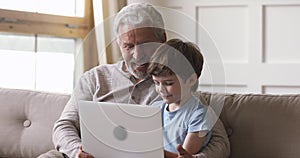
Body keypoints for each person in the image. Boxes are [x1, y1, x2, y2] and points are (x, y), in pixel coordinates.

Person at [51, 2, 230, 158]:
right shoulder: (94, 79)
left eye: (146, 45)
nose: (138, 55)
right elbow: (64, 126)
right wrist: (76, 152)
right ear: (119, 44)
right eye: (128, 46)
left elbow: (221, 142)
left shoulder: (177, 86)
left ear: (163, 40)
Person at [147, 39, 213, 157]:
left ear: (191, 80)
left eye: (168, 83)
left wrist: (153, 153)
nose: (161, 89)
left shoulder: (199, 115)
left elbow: (183, 156)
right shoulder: (155, 108)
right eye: (156, 83)